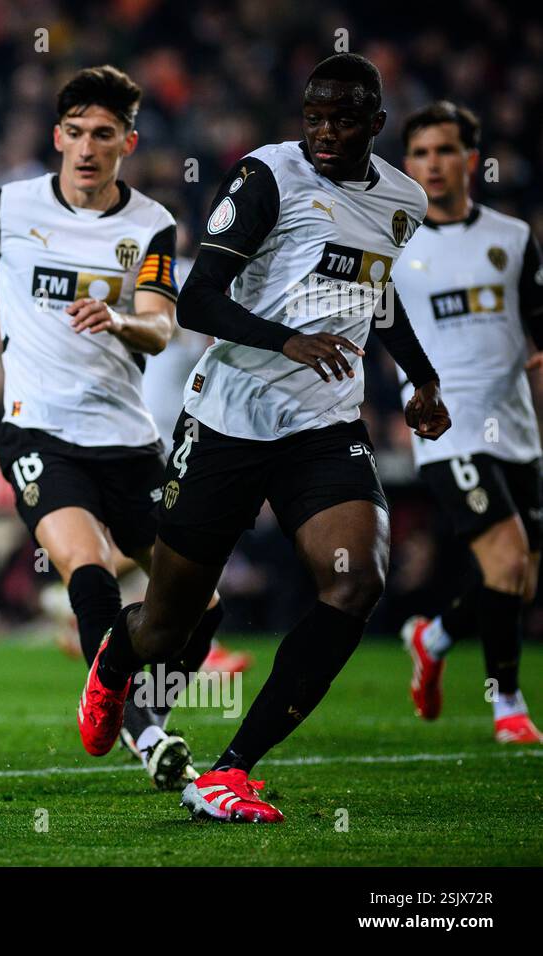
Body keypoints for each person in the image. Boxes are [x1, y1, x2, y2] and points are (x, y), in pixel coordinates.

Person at [76, 53, 451, 823]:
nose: (323, 132)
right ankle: (115, 659)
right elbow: (196, 299)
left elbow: (375, 298)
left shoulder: (402, 200)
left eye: (343, 120)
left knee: (356, 584)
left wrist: (422, 379)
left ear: (376, 126)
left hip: (323, 427)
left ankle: (230, 770)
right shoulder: (268, 178)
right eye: (313, 116)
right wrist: (285, 341)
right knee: (170, 620)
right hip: (229, 420)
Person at [0, 65, 222, 790]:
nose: (88, 147)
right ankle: (147, 735)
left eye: (105, 134)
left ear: (129, 140)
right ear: (58, 135)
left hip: (129, 440)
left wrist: (119, 318)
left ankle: (132, 699)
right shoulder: (8, 206)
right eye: (77, 132)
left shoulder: (149, 222)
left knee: (202, 600)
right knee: (84, 565)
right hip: (38, 432)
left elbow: (160, 326)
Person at [393, 101, 543, 744]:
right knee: (506, 561)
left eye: (445, 150)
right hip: (447, 424)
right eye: (421, 152)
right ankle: (508, 705)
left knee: (516, 577)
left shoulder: (511, 238)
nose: (433, 163)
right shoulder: (394, 241)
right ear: (407, 163)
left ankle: (434, 636)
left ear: (470, 160)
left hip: (515, 424)